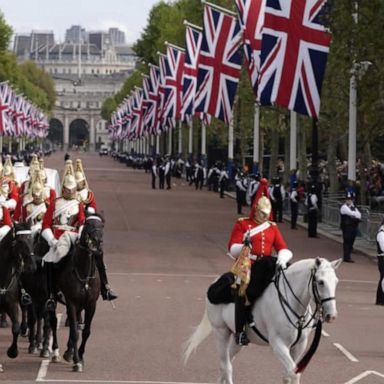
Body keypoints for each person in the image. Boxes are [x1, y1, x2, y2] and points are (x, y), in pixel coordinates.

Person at [227, 178, 292, 346]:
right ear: (255, 210)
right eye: (262, 213)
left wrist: (283, 258)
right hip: (248, 265)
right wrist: (244, 248)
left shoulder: (272, 227)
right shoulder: (243, 224)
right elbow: (232, 247)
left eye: (267, 213)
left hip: (268, 266)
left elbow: (282, 247)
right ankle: (240, 331)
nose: (265, 216)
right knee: (242, 293)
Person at [41, 160, 86, 311]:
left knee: (93, 256)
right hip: (56, 239)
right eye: (67, 190)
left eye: (72, 190)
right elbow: (46, 224)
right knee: (48, 261)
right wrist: (52, 239)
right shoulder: (55, 203)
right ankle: (51, 295)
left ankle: (103, 287)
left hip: (72, 237)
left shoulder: (78, 204)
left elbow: (81, 222)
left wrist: (79, 235)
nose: (70, 193)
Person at [74, 159, 118, 301]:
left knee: (98, 256)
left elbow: (93, 211)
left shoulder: (89, 195)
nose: (79, 185)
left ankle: (105, 287)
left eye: (80, 182)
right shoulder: (68, 195)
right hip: (71, 229)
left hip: (87, 228)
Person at [340, 192, 361, 263]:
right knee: (347, 241)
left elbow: (359, 215)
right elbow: (350, 213)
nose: (349, 201)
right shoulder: (344, 207)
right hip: (346, 227)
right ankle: (346, 257)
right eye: (347, 199)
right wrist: (354, 214)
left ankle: (348, 255)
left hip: (353, 227)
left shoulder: (353, 207)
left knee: (351, 242)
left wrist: (354, 214)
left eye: (350, 199)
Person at [376, 219, 384, 305]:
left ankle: (380, 298)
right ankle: (381, 299)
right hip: (382, 258)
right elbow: (383, 247)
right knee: (383, 279)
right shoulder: (381, 233)